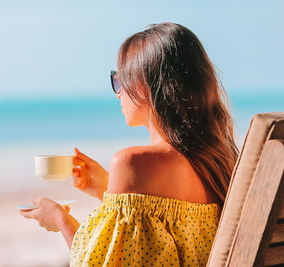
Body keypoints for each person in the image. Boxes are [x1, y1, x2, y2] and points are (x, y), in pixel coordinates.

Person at [20, 22, 238, 266]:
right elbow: (164, 243)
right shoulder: (222, 163)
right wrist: (106, 188)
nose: (118, 93)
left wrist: (60, 220)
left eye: (120, 80)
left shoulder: (131, 162)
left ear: (145, 86)